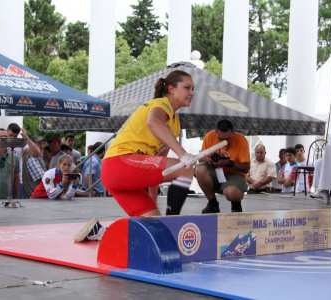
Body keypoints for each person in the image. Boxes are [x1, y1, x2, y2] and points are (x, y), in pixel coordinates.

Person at [73, 70, 197, 242]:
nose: (192, 93)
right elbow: (153, 122)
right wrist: (182, 154)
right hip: (121, 163)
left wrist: (152, 205)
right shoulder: (161, 103)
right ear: (171, 89)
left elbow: (158, 171)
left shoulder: (174, 125)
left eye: (193, 89)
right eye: (187, 88)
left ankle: (99, 232)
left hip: (118, 173)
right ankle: (173, 224)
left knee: (156, 228)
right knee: (185, 168)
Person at [195, 120, 250, 214]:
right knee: (200, 169)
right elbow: (200, 160)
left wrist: (228, 163)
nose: (224, 142)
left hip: (234, 175)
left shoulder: (241, 139)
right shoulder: (209, 136)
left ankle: (236, 204)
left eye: (228, 139)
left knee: (232, 193)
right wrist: (205, 157)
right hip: (215, 172)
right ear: (215, 132)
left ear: (233, 132)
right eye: (220, 139)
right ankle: (213, 204)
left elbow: (246, 168)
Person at [0, 123, 41, 198]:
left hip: (16, 182)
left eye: (15, 136)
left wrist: (26, 138)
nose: (12, 138)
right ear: (7, 131)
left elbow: (37, 153)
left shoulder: (20, 145)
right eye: (10, 135)